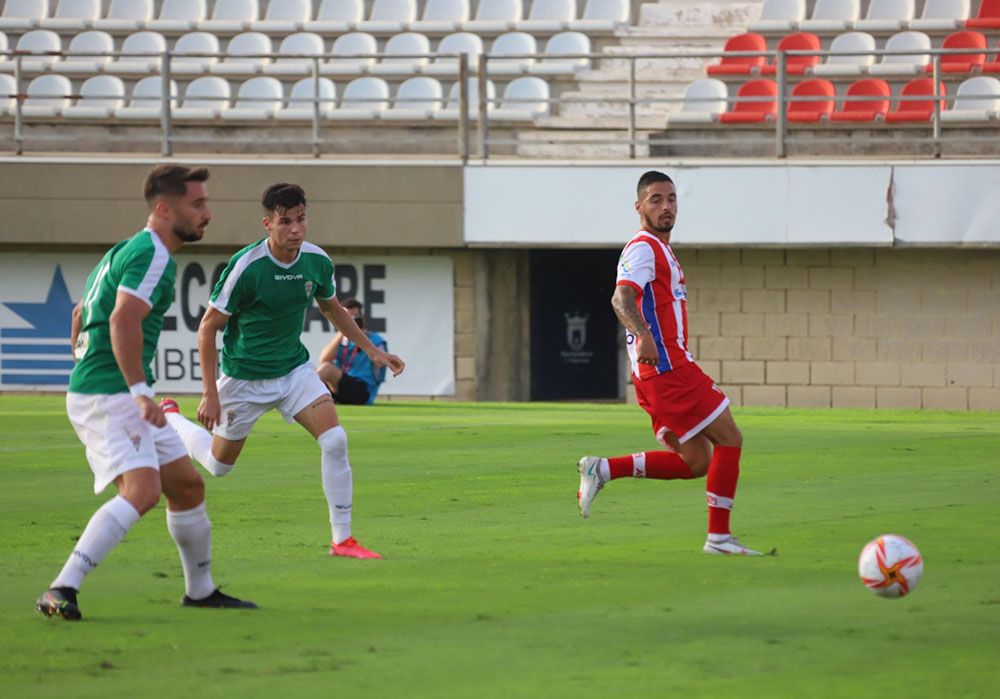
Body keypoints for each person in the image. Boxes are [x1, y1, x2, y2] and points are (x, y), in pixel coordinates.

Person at [36, 164, 257, 621]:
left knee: (188, 485)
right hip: (111, 393)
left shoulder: (127, 249)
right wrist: (136, 390)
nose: (207, 213)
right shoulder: (152, 254)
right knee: (142, 491)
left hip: (109, 386)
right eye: (197, 204)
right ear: (164, 208)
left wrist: (85, 357)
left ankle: (200, 591)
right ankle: (61, 588)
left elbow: (81, 311)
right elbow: (120, 319)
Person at [161, 183, 405, 560]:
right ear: (267, 224)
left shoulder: (316, 261)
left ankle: (342, 540)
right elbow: (208, 327)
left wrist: (372, 350)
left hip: (293, 371)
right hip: (244, 377)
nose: (296, 228)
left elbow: (333, 309)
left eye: (302, 219)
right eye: (286, 221)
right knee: (219, 466)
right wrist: (209, 393)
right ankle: (172, 421)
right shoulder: (246, 267)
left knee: (336, 440)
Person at [576, 170, 768, 556]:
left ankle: (603, 469)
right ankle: (719, 538)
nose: (666, 207)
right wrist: (644, 333)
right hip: (669, 368)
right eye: (656, 200)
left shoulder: (660, 250)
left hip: (657, 372)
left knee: (696, 461)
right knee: (731, 438)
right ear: (639, 207)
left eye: (672, 199)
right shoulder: (643, 247)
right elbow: (621, 299)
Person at [316, 298, 387, 405]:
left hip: (362, 390)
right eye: (346, 318)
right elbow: (324, 359)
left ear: (362, 319)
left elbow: (381, 364)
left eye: (355, 318)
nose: (351, 321)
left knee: (326, 369)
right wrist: (343, 330)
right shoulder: (341, 340)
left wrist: (360, 335)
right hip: (341, 387)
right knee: (316, 370)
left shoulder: (375, 340)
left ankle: (297, 398)